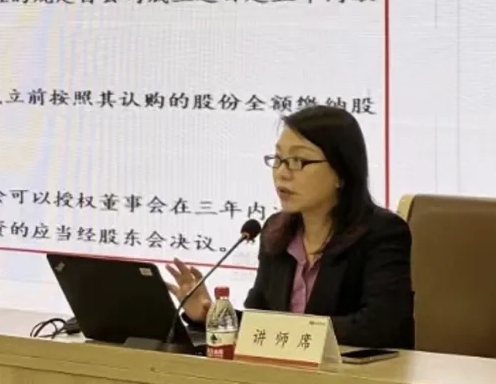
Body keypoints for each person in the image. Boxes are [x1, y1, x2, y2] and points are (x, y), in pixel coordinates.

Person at [166, 104, 414, 350]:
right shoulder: (275, 232)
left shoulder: (382, 233)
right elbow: (259, 321)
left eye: (298, 161)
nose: (282, 174)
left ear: (342, 173)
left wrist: (287, 332)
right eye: (278, 160)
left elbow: (380, 327)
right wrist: (211, 315)